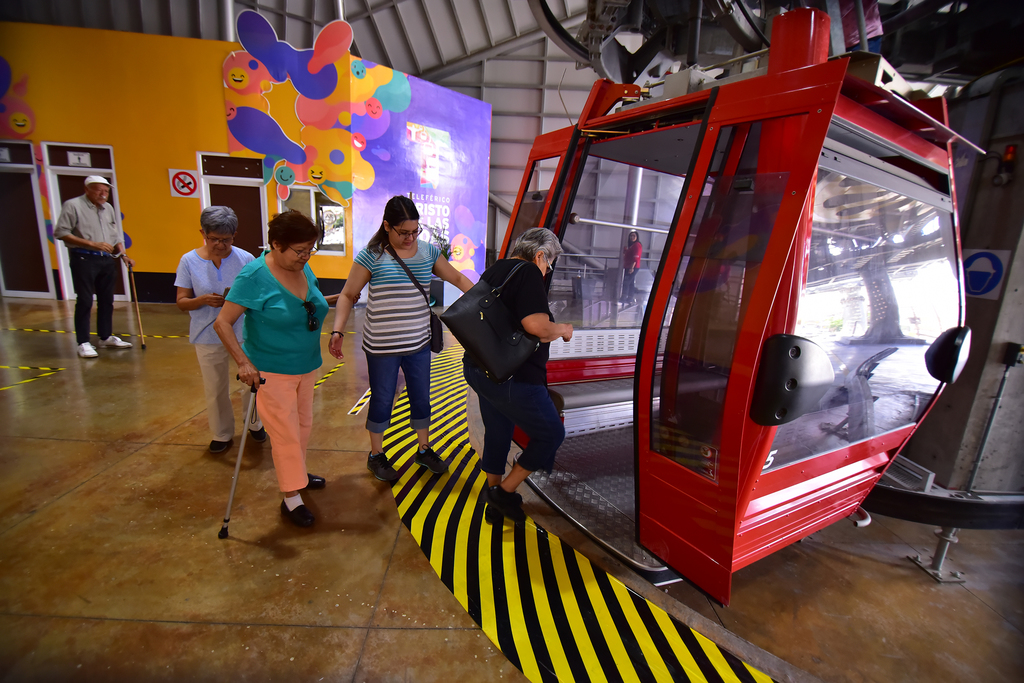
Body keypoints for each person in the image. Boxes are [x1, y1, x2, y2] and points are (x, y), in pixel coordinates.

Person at [328, 196, 473, 482]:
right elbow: (347, 294)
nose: (410, 238)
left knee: (421, 397)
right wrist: (337, 330)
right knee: (383, 398)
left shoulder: (428, 252)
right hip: (381, 347)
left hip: (418, 343)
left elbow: (457, 278)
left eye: (415, 231)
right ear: (387, 226)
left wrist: (486, 302)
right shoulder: (371, 255)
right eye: (403, 232)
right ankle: (376, 455)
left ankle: (423, 448)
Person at [213, 210, 330, 528]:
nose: (306, 256)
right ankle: (291, 497)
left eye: (310, 250)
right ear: (276, 244)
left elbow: (306, 305)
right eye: (300, 250)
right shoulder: (254, 276)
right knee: (285, 433)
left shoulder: (301, 267)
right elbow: (222, 323)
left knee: (302, 426)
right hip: (272, 370)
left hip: (306, 364)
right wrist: (244, 362)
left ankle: (298, 475)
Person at [462, 228, 573, 524]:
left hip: (481, 368)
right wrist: (562, 329)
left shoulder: (496, 269)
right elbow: (537, 327)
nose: (547, 271)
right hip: (514, 377)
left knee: (498, 432)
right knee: (550, 434)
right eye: (549, 264)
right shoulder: (528, 272)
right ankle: (503, 494)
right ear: (539, 256)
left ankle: (493, 496)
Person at [175, 206, 266, 454]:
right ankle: (221, 433)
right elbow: (181, 301)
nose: (220, 245)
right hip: (206, 334)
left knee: (252, 382)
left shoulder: (246, 259)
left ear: (234, 235)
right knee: (215, 388)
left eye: (226, 240)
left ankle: (255, 423)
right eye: (213, 239)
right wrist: (202, 300)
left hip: (244, 333)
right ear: (203, 233)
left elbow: (259, 296)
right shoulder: (188, 261)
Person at [53, 175, 134, 358]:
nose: (103, 194)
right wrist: (93, 244)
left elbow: (115, 235)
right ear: (87, 189)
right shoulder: (73, 205)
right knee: (85, 300)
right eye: (99, 190)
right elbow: (61, 232)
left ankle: (105, 337)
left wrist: (124, 255)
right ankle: (83, 342)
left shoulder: (108, 208)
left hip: (106, 259)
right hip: (84, 258)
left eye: (106, 191)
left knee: (107, 300)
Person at [621, 230, 642, 304]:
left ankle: (623, 298)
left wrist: (632, 267)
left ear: (637, 237)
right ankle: (630, 298)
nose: (632, 237)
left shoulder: (637, 245)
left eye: (634, 236)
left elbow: (636, 257)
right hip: (629, 266)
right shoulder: (632, 246)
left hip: (632, 266)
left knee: (626, 282)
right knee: (630, 283)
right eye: (631, 236)